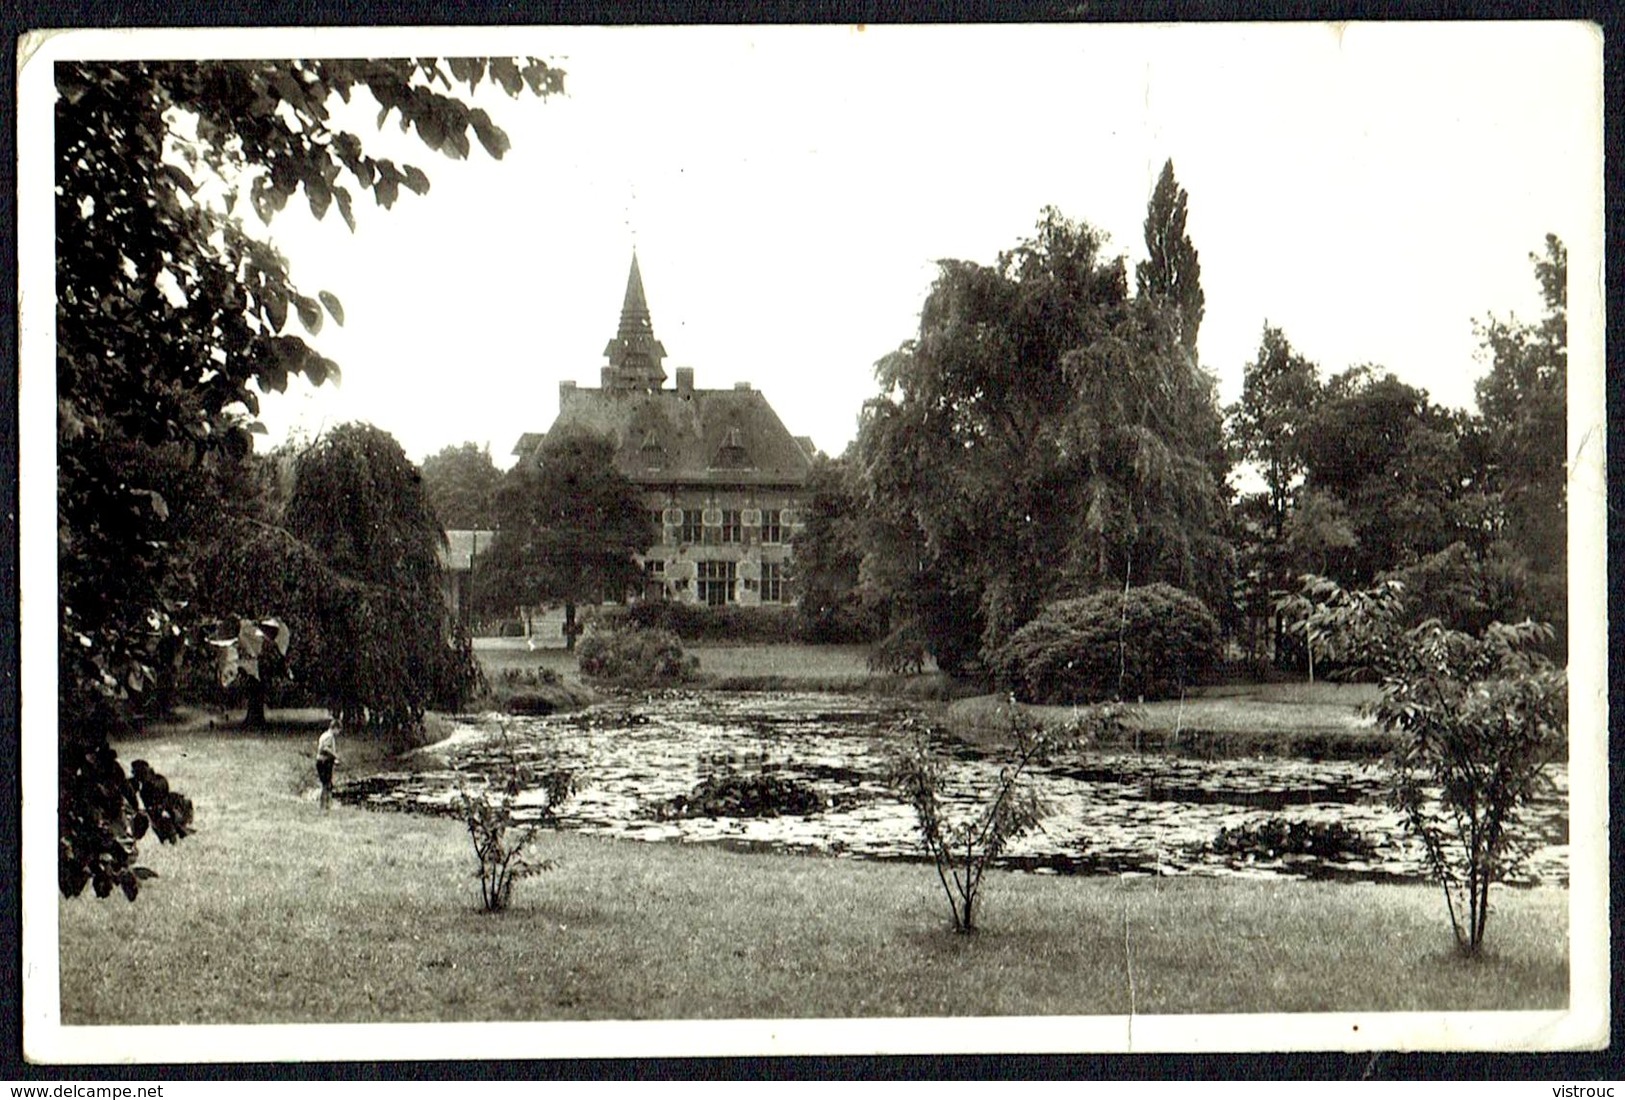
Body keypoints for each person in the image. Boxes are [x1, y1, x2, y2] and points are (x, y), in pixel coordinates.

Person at [315, 719, 340, 811]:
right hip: (324, 762)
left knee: (327, 784)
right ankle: (324, 806)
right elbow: (325, 748)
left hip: (321, 761)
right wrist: (335, 755)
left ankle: (326, 805)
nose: (338, 733)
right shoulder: (329, 737)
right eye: (338, 730)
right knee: (326, 784)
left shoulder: (324, 735)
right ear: (335, 728)